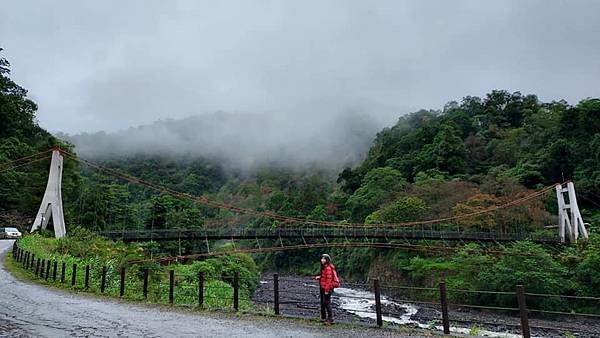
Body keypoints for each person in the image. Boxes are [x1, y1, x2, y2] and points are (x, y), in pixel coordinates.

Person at [314, 253, 337, 325]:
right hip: (323, 287)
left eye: (324, 259)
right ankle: (326, 318)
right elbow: (326, 277)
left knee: (327, 303)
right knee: (324, 302)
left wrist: (327, 290)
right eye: (322, 258)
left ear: (327, 260)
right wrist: (320, 277)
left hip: (327, 288)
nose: (322, 260)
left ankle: (331, 319)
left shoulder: (328, 268)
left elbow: (329, 280)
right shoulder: (325, 267)